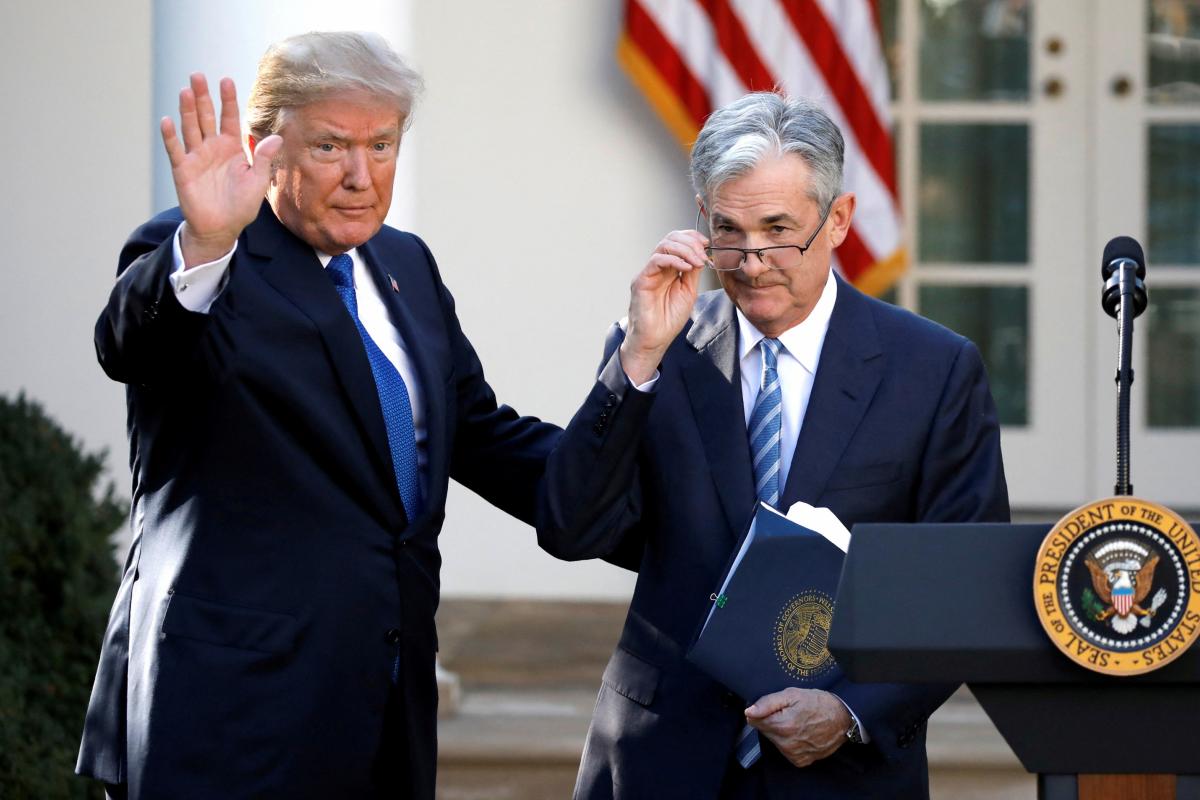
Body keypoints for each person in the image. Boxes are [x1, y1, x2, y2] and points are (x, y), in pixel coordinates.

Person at [77, 32, 558, 800]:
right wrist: (203, 241)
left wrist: (637, 450)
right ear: (268, 147)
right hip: (227, 712)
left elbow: (479, 434)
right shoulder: (206, 253)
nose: (361, 175)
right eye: (331, 145)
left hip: (382, 703)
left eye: (382, 144)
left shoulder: (406, 265)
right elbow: (131, 346)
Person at [537, 92, 1010, 799]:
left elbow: (966, 584)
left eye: (779, 230)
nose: (752, 262)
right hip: (661, 761)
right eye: (728, 231)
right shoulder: (656, 349)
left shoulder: (933, 369)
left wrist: (851, 708)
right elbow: (571, 526)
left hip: (841, 772)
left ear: (838, 220)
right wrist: (634, 361)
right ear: (702, 220)